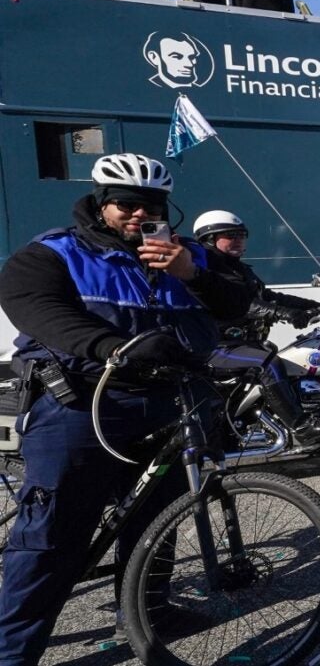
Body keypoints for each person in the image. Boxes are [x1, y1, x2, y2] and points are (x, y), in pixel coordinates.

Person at [0, 153, 254, 663]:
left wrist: (193, 273)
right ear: (101, 205)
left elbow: (240, 298)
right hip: (81, 403)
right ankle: (13, 652)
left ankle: (147, 612)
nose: (139, 214)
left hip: (167, 404)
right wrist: (111, 347)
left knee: (156, 520)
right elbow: (31, 302)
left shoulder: (182, 254)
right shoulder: (57, 252)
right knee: (52, 538)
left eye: (152, 205)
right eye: (126, 204)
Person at [192, 211, 320, 435]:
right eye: (231, 235)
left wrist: (314, 306)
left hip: (240, 343)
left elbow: (269, 297)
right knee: (266, 363)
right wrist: (286, 314)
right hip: (217, 347)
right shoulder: (209, 272)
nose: (239, 240)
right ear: (209, 239)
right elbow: (243, 305)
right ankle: (301, 426)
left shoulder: (236, 268)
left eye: (242, 235)